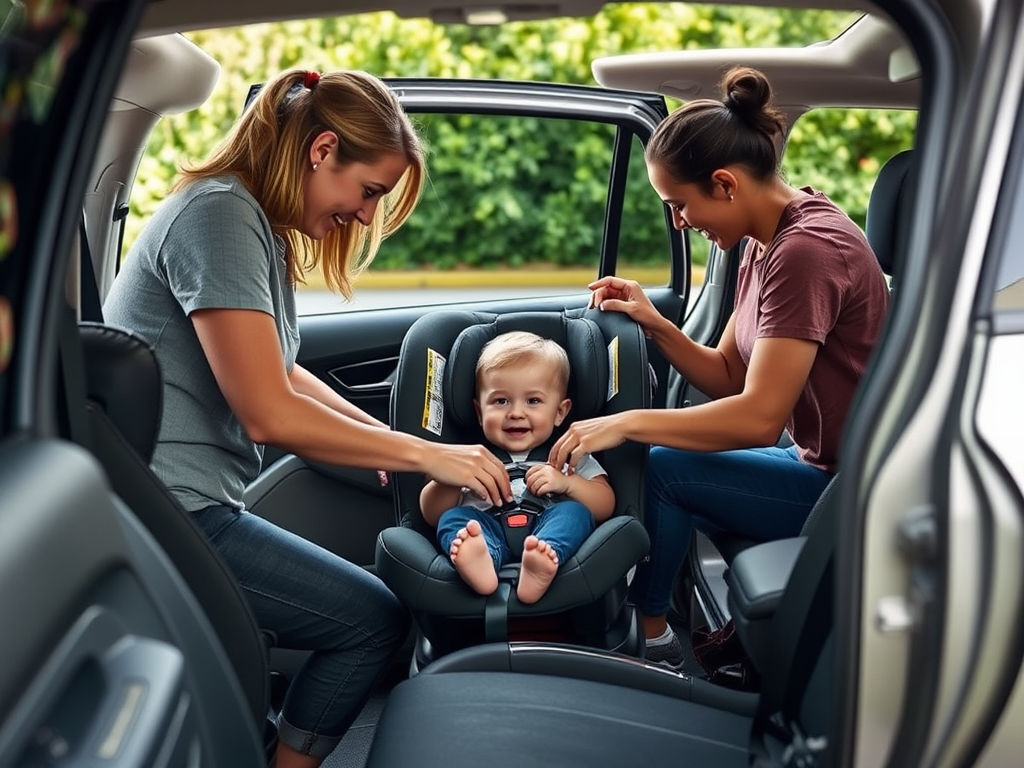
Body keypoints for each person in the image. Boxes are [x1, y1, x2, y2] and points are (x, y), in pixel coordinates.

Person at [103, 68, 511, 768]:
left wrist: (386, 441)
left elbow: (280, 367)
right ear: (322, 150)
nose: (362, 215)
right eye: (369, 191)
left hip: (183, 501)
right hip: (170, 511)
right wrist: (426, 457)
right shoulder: (220, 217)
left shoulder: (246, 217)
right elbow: (265, 410)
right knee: (372, 621)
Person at [549, 66, 891, 671]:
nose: (679, 221)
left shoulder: (808, 251)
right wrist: (654, 322)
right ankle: (658, 622)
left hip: (850, 490)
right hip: (815, 462)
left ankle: (651, 641)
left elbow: (759, 418)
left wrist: (628, 422)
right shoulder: (764, 243)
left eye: (680, 205)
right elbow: (729, 375)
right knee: (655, 465)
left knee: (661, 466)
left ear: (726, 185)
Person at [419, 331, 616, 604]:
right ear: (479, 411)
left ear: (560, 412)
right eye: (501, 401)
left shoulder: (569, 454)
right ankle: (480, 558)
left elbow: (605, 504)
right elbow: (430, 513)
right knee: (453, 519)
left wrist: (568, 484)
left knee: (576, 512)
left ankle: (544, 556)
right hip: (486, 527)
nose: (515, 413)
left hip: (547, 523)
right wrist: (452, 478)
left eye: (533, 401)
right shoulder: (470, 457)